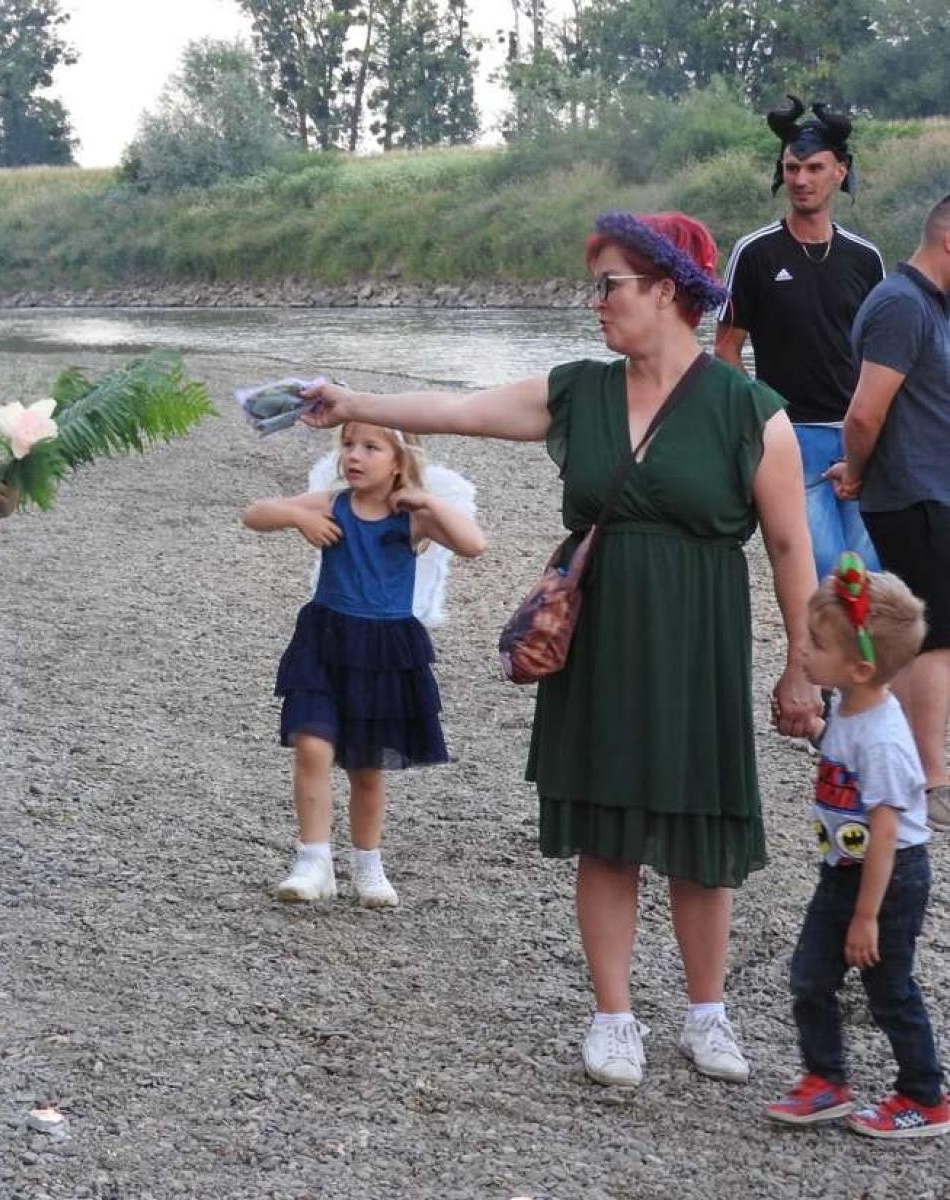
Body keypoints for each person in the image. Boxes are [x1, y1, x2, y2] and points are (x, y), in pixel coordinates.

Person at [303, 211, 823, 1088]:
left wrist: (800, 664)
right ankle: (614, 1018)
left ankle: (707, 1014)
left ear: (667, 291)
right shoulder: (580, 389)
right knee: (607, 829)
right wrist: (352, 403)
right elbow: (460, 411)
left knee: (703, 828)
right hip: (604, 632)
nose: (597, 302)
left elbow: (789, 550)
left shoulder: (750, 412)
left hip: (699, 636)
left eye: (610, 284)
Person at [243, 422, 485, 906]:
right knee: (312, 746)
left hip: (383, 651)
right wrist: (296, 517)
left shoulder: (411, 518)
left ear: (398, 461)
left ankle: (367, 867)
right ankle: (313, 861)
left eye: (370, 447)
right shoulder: (330, 503)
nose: (354, 455)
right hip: (324, 638)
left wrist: (428, 501)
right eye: (348, 445)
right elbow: (253, 514)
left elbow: (473, 544)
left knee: (366, 768)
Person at [766, 558, 948, 1139]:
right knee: (810, 974)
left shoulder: (886, 740)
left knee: (888, 989)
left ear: (862, 666)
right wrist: (818, 733)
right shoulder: (848, 707)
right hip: (842, 870)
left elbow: (888, 833)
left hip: (888, 879)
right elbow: (843, 759)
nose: (804, 653)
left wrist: (867, 917)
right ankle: (826, 1080)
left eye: (817, 645)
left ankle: (925, 1095)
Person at [716, 95, 885, 579]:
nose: (801, 180)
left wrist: (880, 433)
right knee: (824, 571)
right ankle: (813, 654)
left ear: (840, 171)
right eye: (792, 168)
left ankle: (853, 659)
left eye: (814, 168)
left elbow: (883, 355)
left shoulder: (865, 258)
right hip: (792, 435)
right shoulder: (755, 253)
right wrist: (761, 421)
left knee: (870, 575)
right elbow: (727, 348)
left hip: (859, 435)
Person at [827, 194, 950, 829]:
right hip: (913, 494)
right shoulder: (901, 305)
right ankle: (930, 780)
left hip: (931, 491)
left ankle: (902, 761)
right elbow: (865, 412)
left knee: (929, 636)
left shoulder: (930, 305)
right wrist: (858, 470)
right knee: (934, 639)